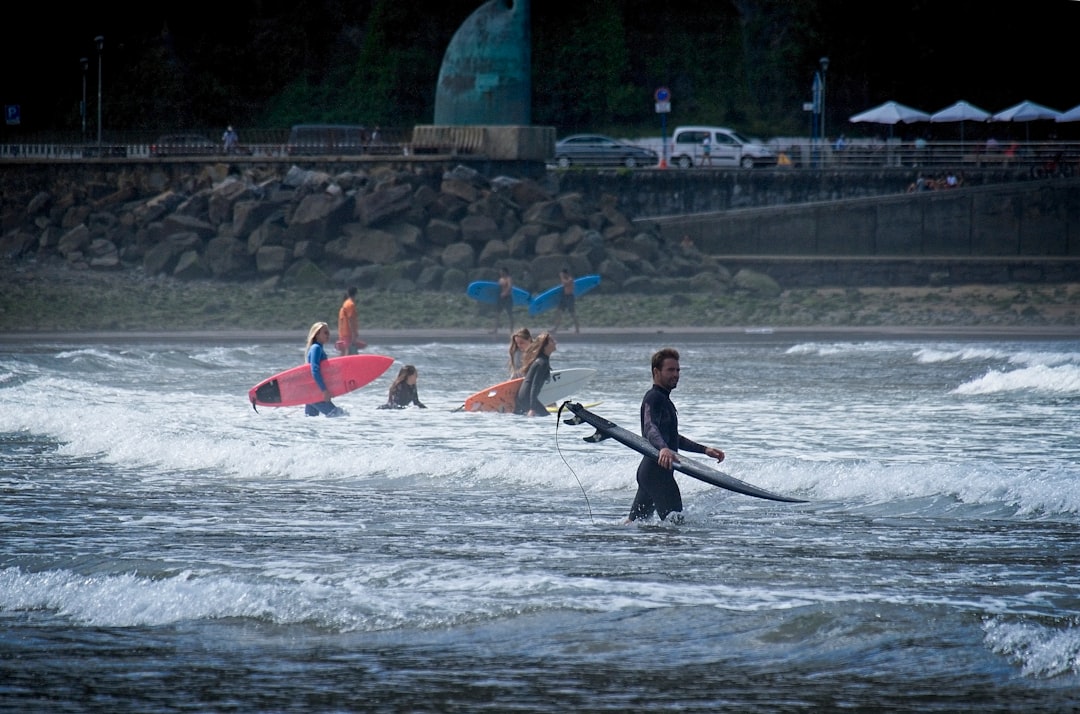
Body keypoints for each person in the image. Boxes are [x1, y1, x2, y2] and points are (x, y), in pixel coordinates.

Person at [626, 347, 725, 524]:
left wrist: (705, 450)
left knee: (633, 524)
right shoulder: (653, 398)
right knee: (676, 526)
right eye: (670, 370)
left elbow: (673, 437)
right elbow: (650, 428)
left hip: (651, 471)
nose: (676, 374)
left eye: (678, 370)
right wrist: (663, 448)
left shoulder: (664, 400)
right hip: (657, 473)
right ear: (656, 372)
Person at [304, 322, 345, 417]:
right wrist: (324, 390)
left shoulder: (318, 348)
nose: (328, 335)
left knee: (310, 421)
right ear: (317, 334)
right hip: (315, 392)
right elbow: (314, 370)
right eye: (325, 333)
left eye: (328, 333)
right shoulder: (316, 348)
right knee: (340, 416)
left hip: (311, 392)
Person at [514, 331, 556, 417]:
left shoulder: (542, 360)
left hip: (525, 398)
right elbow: (534, 385)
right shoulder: (541, 362)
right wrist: (532, 408)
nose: (555, 342)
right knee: (547, 418)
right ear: (545, 346)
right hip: (526, 398)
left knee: (546, 417)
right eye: (552, 341)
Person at [550, 267, 579, 334]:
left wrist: (561, 277)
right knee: (559, 312)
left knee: (572, 314)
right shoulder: (565, 279)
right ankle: (555, 329)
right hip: (564, 297)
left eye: (563, 274)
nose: (563, 276)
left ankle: (577, 329)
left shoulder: (570, 279)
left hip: (570, 297)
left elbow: (565, 284)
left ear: (566, 274)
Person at [337, 286, 360, 354]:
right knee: (349, 352)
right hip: (348, 334)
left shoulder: (345, 304)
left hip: (344, 333)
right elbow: (350, 319)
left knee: (344, 352)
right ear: (356, 294)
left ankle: (337, 364)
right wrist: (353, 334)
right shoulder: (350, 304)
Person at [492, 267, 514, 334]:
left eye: (501, 271)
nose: (500, 273)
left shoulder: (508, 279)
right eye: (500, 272)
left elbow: (510, 287)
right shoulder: (500, 279)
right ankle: (495, 330)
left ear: (505, 272)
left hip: (508, 298)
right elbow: (498, 288)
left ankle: (511, 331)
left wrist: (505, 293)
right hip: (500, 298)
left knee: (510, 314)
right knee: (497, 314)